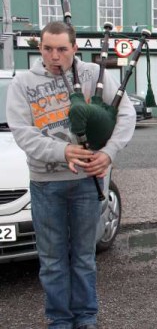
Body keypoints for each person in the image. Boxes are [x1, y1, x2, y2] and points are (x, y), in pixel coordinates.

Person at [6, 21, 136, 329]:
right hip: (46, 184)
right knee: (52, 261)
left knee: (83, 257)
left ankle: (86, 317)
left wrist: (109, 153)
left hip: (86, 183)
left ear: (74, 48)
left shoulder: (94, 75)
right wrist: (61, 151)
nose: (54, 56)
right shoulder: (22, 83)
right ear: (40, 49)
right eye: (48, 49)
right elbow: (22, 132)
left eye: (62, 49)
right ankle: (60, 321)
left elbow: (125, 114)